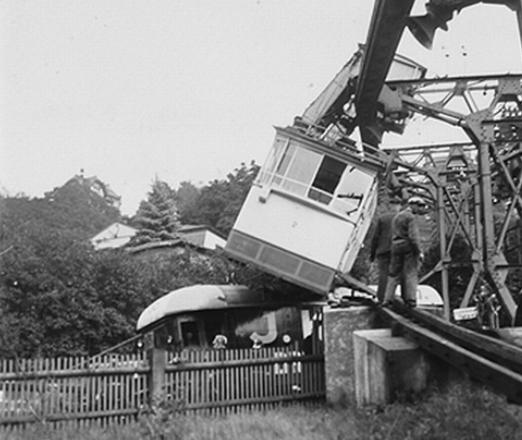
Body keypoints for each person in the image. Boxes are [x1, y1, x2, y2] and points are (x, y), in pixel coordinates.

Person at [383, 196, 425, 307]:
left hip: (396, 246)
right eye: (420, 206)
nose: (421, 208)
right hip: (408, 247)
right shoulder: (411, 217)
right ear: (413, 205)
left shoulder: (397, 216)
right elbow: (413, 237)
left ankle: (387, 299)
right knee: (410, 273)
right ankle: (410, 299)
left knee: (393, 274)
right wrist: (419, 251)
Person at [369, 197, 403, 302]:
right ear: (400, 206)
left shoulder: (382, 218)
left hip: (383, 251)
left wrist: (372, 255)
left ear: (390, 206)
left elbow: (376, 237)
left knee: (383, 275)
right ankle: (391, 298)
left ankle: (381, 298)